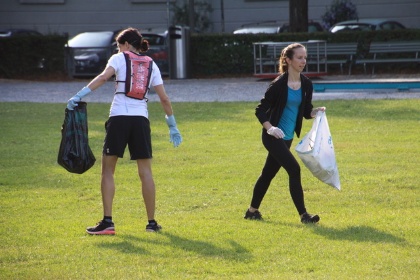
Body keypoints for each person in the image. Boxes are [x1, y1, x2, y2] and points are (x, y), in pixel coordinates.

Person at [66, 27, 182, 234]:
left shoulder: (118, 59)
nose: (118, 49)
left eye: (119, 46)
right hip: (141, 120)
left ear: (127, 45)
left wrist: (79, 95)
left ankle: (108, 222)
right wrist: (172, 125)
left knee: (108, 171)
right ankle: (152, 223)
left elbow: (103, 78)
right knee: (145, 172)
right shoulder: (151, 63)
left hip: (119, 118)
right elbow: (164, 98)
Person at [244, 43, 325, 224]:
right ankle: (304, 215)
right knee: (294, 170)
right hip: (272, 136)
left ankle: (252, 211)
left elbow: (305, 112)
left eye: (305, 57)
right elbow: (260, 110)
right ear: (288, 60)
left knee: (268, 174)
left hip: (287, 137)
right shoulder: (278, 85)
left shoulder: (306, 84)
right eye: (299, 57)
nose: (303, 61)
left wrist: (315, 112)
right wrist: (270, 128)